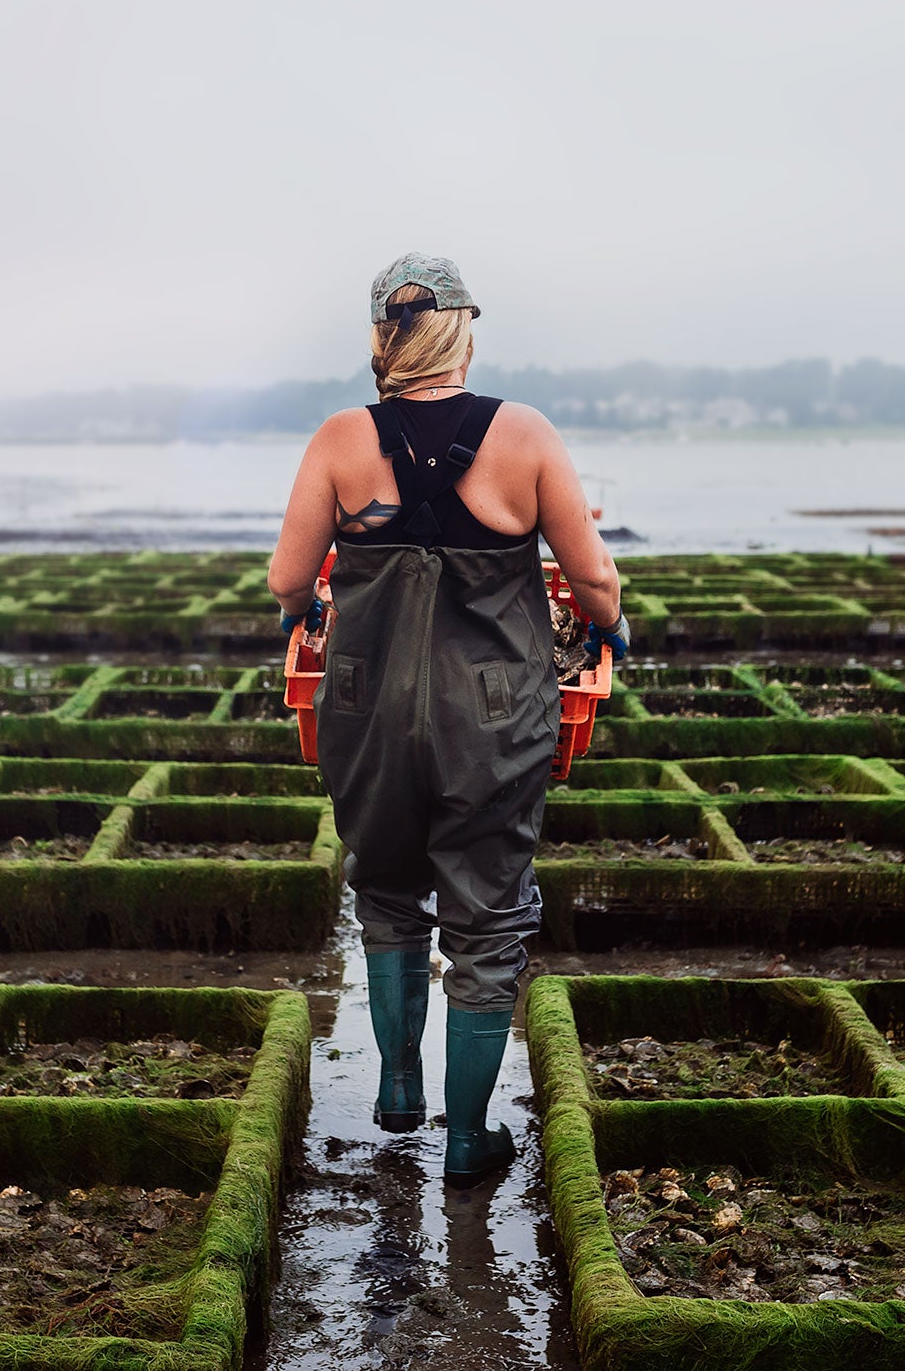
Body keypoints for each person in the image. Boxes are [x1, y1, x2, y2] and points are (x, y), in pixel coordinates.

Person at [268, 252, 628, 1186]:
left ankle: (396, 1092)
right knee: (489, 916)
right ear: (463, 331)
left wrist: (301, 611)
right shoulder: (525, 435)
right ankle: (467, 1140)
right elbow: (590, 577)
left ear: (383, 337)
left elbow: (286, 581)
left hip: (363, 712)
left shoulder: (341, 438)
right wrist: (611, 624)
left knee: (385, 889)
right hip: (495, 719)